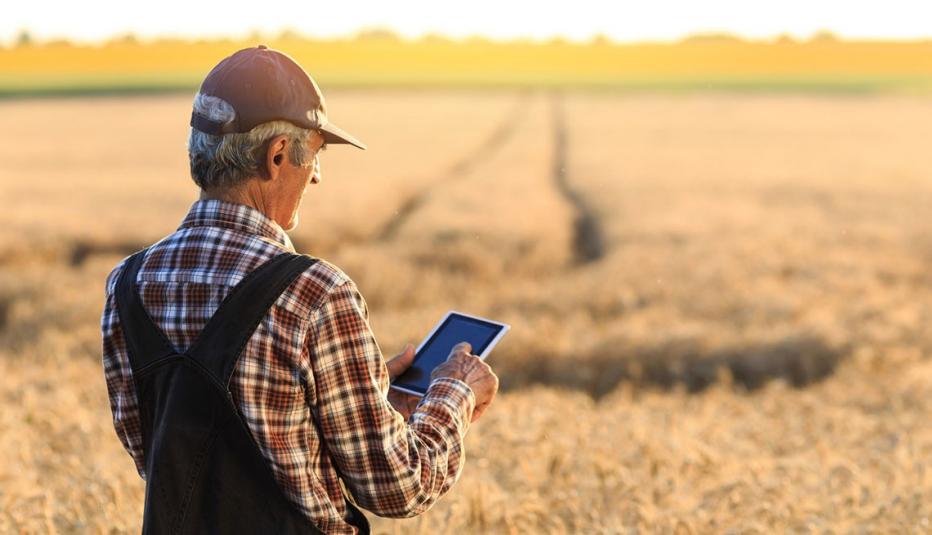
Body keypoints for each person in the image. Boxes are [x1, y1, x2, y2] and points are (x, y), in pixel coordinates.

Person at [100, 45, 499, 534]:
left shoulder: (127, 284)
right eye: (315, 153)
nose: (317, 174)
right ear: (277, 156)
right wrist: (454, 391)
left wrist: (370, 401)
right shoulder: (315, 293)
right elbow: (399, 486)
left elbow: (166, 457)